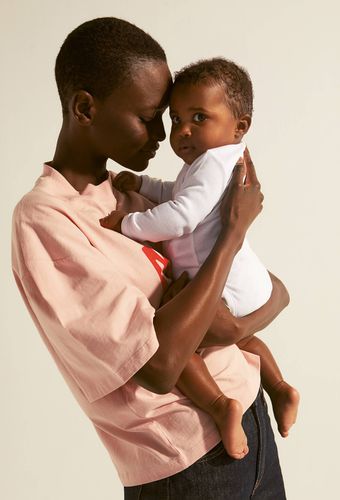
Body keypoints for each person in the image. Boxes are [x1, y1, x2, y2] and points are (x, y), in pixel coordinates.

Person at [12, 17, 289, 499]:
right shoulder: (46, 220)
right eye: (148, 117)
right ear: (84, 108)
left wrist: (240, 320)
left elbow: (264, 297)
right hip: (188, 466)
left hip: (252, 422)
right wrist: (232, 233)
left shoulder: (126, 195)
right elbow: (160, 365)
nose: (166, 135)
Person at [100, 58, 299, 460]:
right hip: (245, 281)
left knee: (182, 348)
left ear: (239, 126)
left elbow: (182, 215)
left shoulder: (213, 162)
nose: (183, 130)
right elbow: (177, 193)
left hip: (223, 286)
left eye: (198, 117)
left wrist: (128, 224)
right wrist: (142, 183)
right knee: (244, 338)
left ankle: (219, 405)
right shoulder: (211, 163)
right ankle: (279, 387)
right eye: (176, 119)